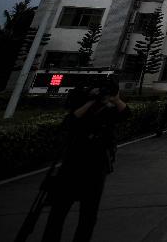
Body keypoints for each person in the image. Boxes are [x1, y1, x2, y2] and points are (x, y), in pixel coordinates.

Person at [42, 80, 129, 242]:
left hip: (96, 168)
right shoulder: (82, 106)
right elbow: (70, 122)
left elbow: (126, 114)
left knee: (88, 215)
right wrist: (91, 101)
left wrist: (116, 99)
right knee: (58, 213)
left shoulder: (108, 112)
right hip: (72, 167)